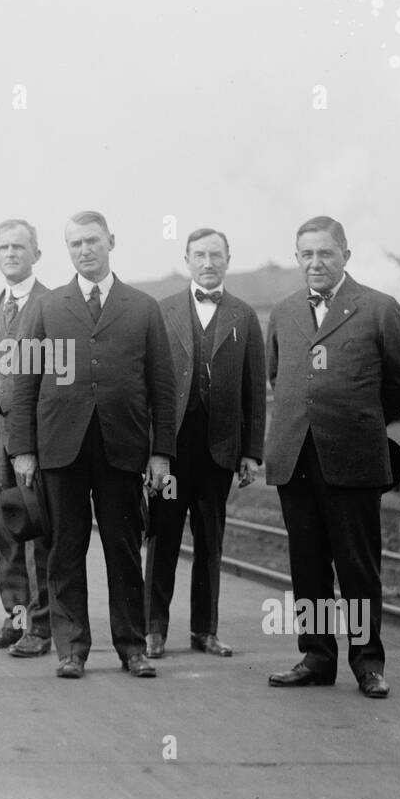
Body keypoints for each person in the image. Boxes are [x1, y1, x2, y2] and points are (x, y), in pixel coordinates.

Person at [9, 210, 176, 679]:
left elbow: (162, 387)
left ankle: (132, 647)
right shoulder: (47, 306)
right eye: (76, 244)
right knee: (64, 548)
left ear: (111, 242)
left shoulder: (143, 307)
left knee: (123, 549)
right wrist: (23, 449)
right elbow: (24, 381)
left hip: (123, 448)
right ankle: (72, 649)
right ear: (68, 250)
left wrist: (160, 452)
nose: (85, 250)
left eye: (93, 241)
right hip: (61, 448)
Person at [264, 216, 400, 699]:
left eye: (325, 253)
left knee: (357, 568)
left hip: (352, 459)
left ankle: (368, 664)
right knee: (307, 567)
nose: (315, 263)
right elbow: (277, 378)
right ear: (297, 258)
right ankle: (316, 657)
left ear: (345, 256)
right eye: (306, 254)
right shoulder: (284, 312)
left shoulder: (378, 309)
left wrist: (362, 424)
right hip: (296, 459)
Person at [144, 228, 265, 659]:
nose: (208, 262)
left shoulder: (245, 315)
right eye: (200, 255)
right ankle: (153, 629)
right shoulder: (163, 311)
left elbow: (255, 388)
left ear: (228, 259)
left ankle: (204, 631)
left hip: (219, 449)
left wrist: (252, 451)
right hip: (172, 451)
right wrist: (153, 450)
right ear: (187, 259)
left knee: (210, 540)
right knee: (163, 537)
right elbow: (151, 385)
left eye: (216, 255)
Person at [0, 219, 51, 657]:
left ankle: (41, 626)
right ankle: (15, 618)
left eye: (20, 247)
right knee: (6, 531)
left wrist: (33, 446)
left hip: (33, 439)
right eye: (3, 247)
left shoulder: (52, 305)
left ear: (36, 254)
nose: (11, 254)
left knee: (38, 529)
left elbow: (57, 380)